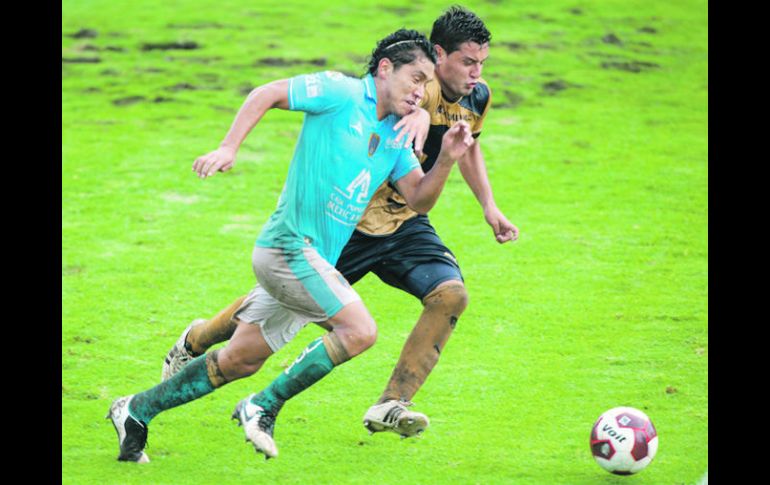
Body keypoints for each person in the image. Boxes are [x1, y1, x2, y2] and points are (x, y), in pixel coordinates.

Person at [107, 28, 475, 463]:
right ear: (385, 69)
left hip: (312, 260)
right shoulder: (340, 92)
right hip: (287, 247)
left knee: (240, 360)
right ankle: (263, 406)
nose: (421, 93)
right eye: (415, 79)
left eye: (426, 85)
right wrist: (229, 147)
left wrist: (448, 159)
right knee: (360, 331)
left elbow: (419, 199)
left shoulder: (395, 136)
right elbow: (266, 92)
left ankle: (135, 410)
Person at [161, 5, 518, 440]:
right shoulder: (409, 86)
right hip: (348, 223)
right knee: (274, 308)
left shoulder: (476, 97)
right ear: (438, 55)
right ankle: (196, 340)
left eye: (482, 63)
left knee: (450, 296)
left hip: (403, 221)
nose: (476, 73)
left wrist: (489, 206)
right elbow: (394, 105)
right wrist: (421, 112)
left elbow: (469, 146)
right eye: (467, 62)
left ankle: (392, 403)